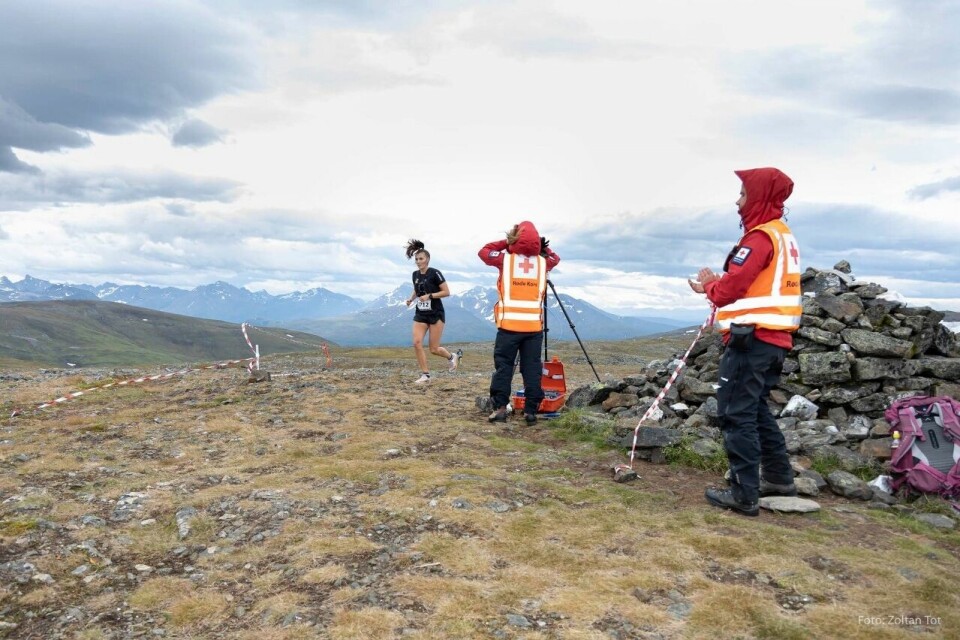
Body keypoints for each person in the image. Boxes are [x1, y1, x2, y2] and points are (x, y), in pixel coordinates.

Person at [688, 167, 802, 516]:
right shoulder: (783, 236)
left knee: (736, 413)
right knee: (755, 410)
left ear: (757, 197)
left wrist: (709, 285)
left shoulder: (759, 238)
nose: (737, 201)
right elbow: (752, 285)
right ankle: (779, 478)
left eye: (742, 194)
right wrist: (718, 285)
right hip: (773, 341)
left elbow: (731, 290)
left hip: (750, 341)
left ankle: (744, 494)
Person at [479, 221, 561, 425]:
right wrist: (542, 248)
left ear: (516, 238)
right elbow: (555, 258)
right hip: (533, 328)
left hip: (508, 327)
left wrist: (508, 243)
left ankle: (500, 409)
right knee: (532, 368)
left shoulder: (505, 260)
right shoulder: (543, 262)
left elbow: (484, 251)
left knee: (504, 368)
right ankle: (531, 411)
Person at [405, 239, 462, 384]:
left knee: (434, 349)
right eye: (416, 259)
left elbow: (446, 292)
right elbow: (416, 288)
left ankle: (451, 357)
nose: (418, 261)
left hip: (435, 313)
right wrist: (411, 299)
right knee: (417, 342)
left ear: (427, 259)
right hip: (421, 314)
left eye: (421, 259)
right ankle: (425, 375)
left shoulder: (435, 273)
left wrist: (430, 296)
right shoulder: (415, 275)